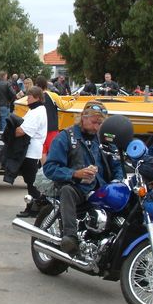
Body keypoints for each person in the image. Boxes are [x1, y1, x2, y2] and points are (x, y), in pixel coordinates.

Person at [43, 101, 124, 255]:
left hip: (102, 189)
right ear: (83, 117)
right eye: (94, 122)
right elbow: (50, 168)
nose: (97, 127)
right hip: (78, 188)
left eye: (100, 123)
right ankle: (70, 237)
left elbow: (117, 164)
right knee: (67, 191)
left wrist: (118, 181)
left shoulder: (105, 139)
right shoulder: (65, 137)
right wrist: (75, 173)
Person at [13, 86, 48, 218]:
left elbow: (22, 131)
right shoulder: (36, 110)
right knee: (30, 180)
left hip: (31, 150)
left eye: (29, 97)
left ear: (37, 98)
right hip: (32, 149)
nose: (27, 99)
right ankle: (33, 206)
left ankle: (35, 207)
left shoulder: (36, 112)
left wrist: (11, 133)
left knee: (31, 181)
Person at [35, 75, 74, 164]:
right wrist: (73, 100)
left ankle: (44, 168)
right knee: (53, 150)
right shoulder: (52, 95)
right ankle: (51, 169)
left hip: (39, 128)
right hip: (51, 127)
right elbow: (64, 106)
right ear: (46, 84)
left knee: (42, 151)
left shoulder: (35, 96)